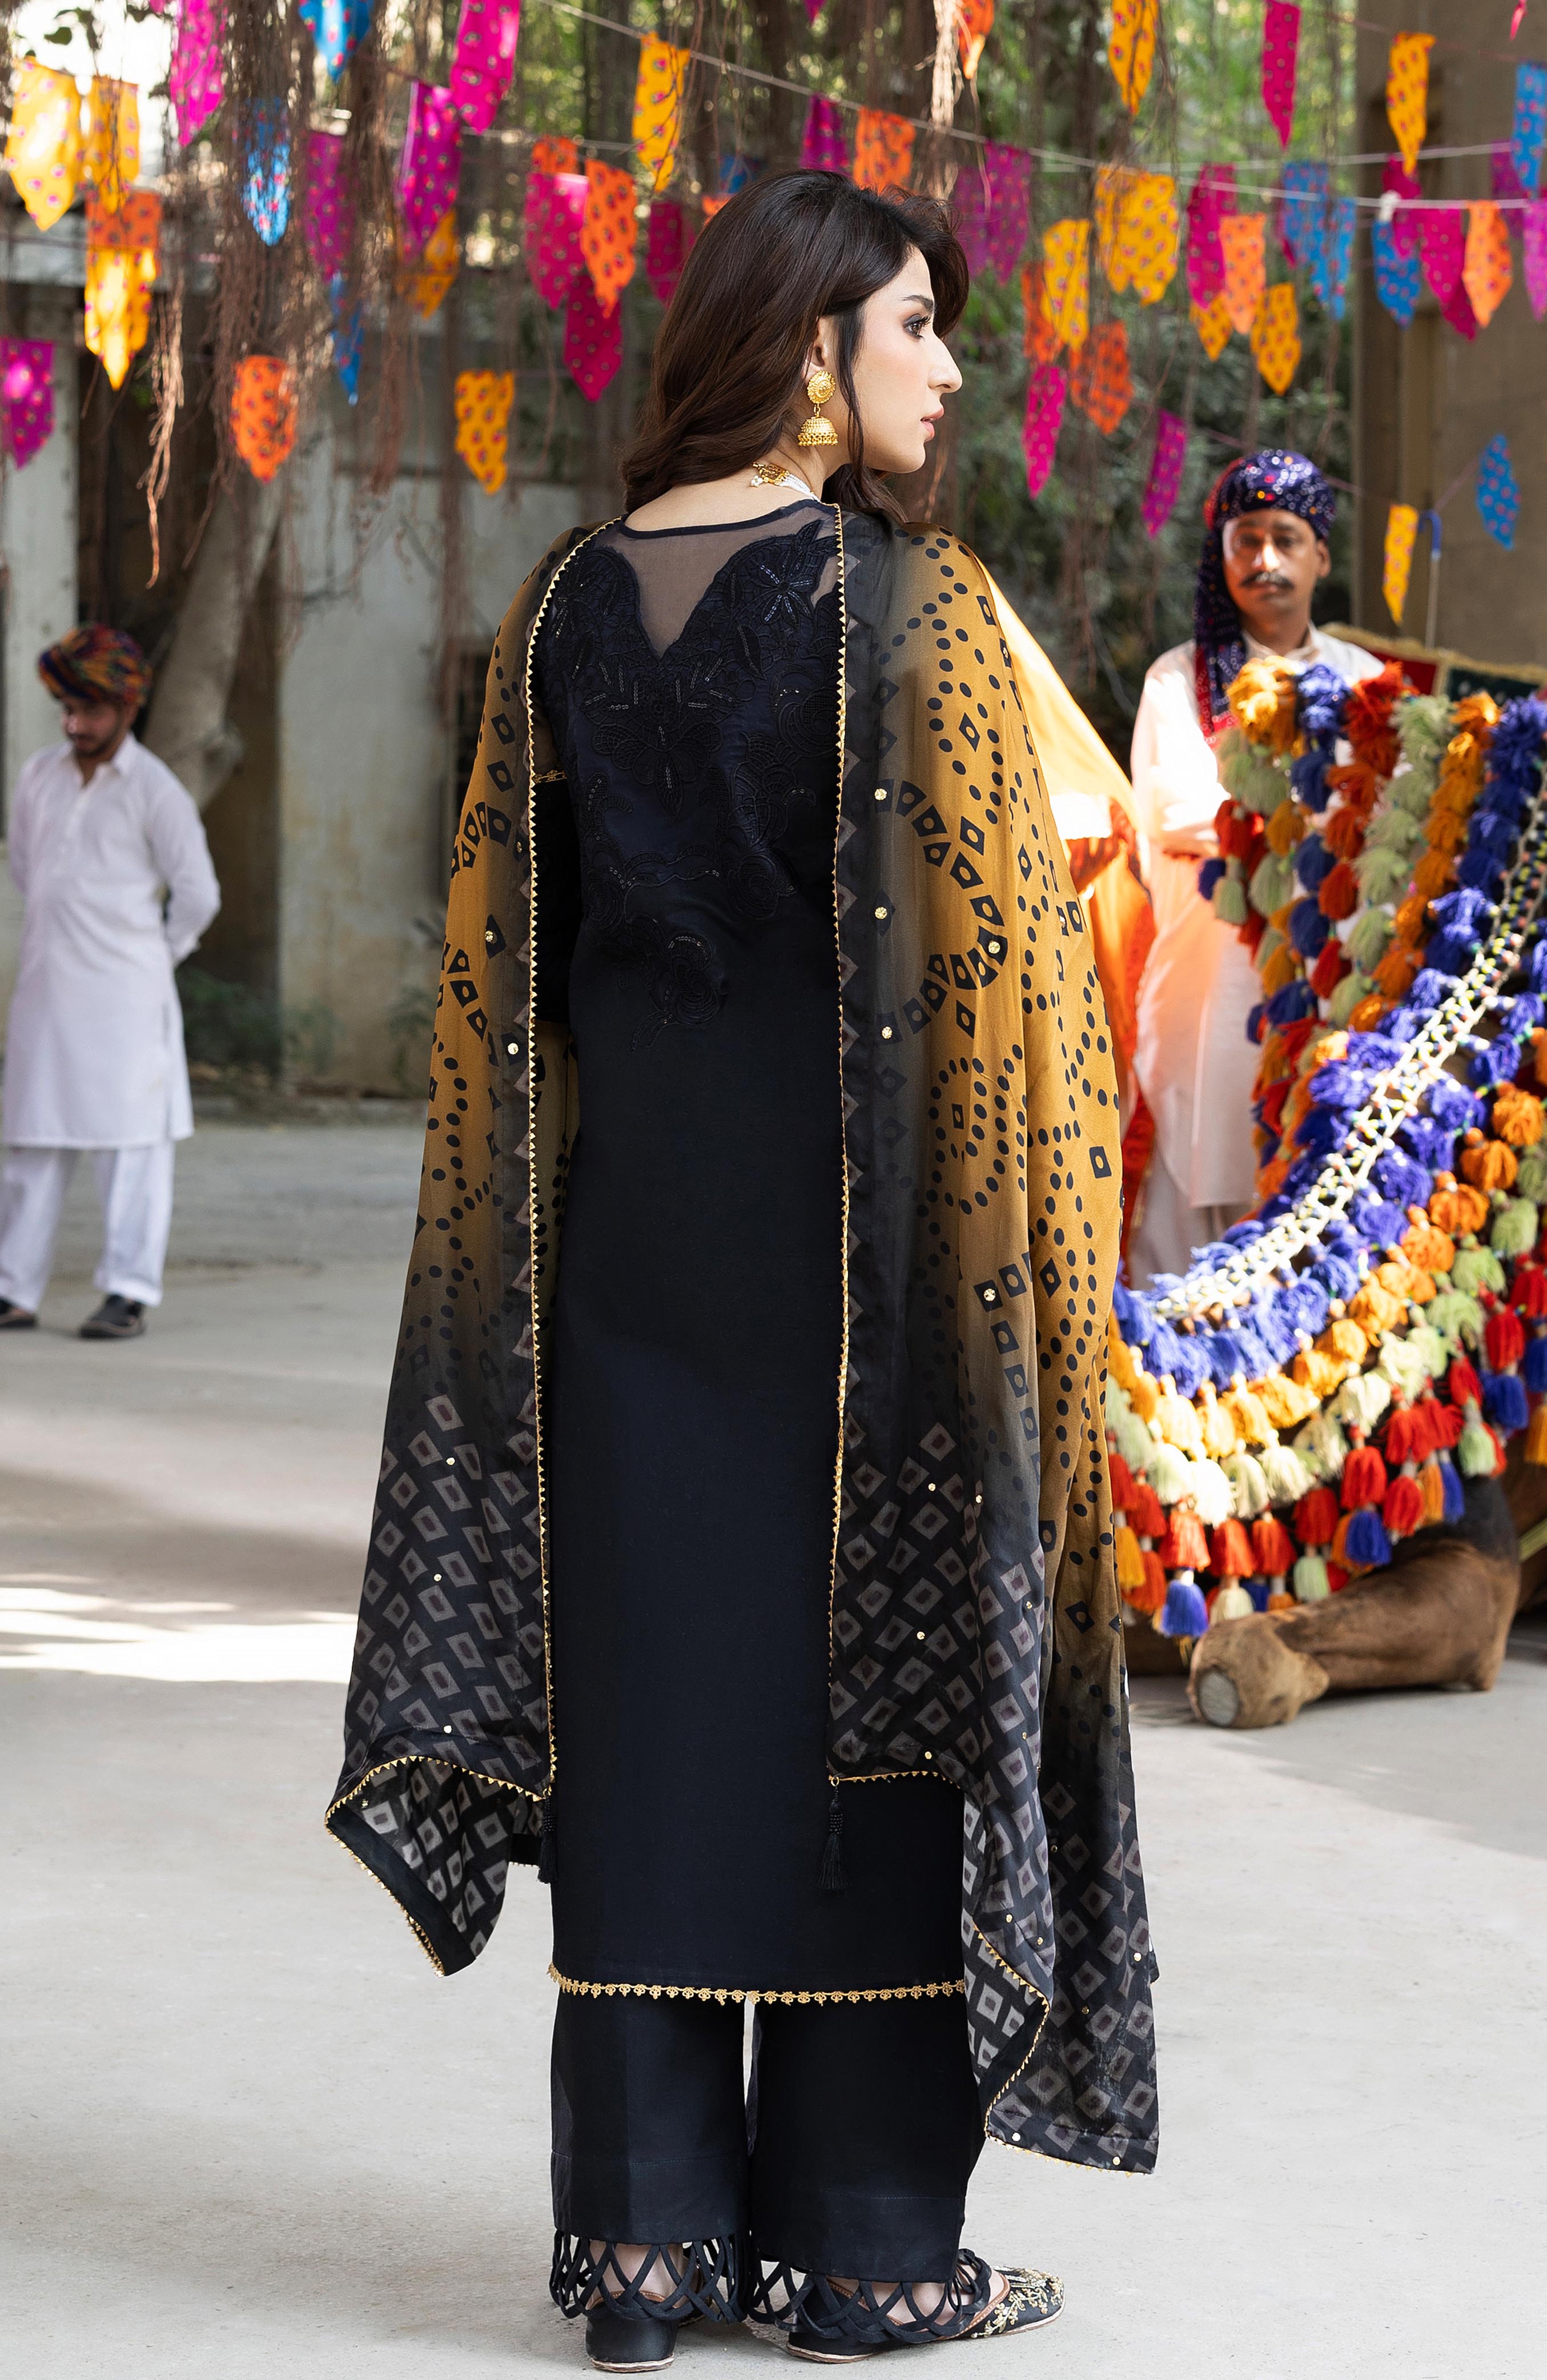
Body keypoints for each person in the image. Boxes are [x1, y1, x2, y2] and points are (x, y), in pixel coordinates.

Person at [326, 171, 1156, 2372]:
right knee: (871, 1709)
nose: (947, 368)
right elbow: (1016, 1004)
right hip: (866, 1286)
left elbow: (508, 996)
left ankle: (641, 2247)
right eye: (914, 325)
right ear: (810, 346)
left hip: (619, 1270)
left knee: (656, 1709)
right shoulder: (912, 607)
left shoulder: (563, 606)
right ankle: (869, 2249)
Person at [1126, 449, 1383, 1289]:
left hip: (1329, 986)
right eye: (1246, 540)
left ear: (1321, 556)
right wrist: (1324, 813)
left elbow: (1390, 824)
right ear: (1222, 553)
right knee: (1185, 1221)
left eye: (1285, 538)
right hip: (1207, 992)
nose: (1264, 559)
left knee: (1319, 1188)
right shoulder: (1179, 678)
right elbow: (1179, 813)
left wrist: (1283, 814)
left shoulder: (1364, 681)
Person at [0, 627, 219, 1340]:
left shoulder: (156, 790)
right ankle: (13, 1290)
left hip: (127, 1000)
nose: (76, 725)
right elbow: (27, 869)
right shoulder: (38, 776)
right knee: (33, 1142)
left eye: (91, 712)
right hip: (47, 989)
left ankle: (127, 1292)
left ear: (127, 709)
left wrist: (155, 956)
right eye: (69, 710)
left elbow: (199, 894)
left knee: (131, 1151)